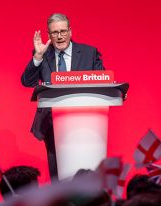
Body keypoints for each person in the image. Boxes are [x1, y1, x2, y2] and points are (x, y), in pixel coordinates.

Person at [21, 13, 104, 181]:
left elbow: (102, 81)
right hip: (52, 123)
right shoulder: (44, 54)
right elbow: (27, 82)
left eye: (63, 31)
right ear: (49, 35)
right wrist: (37, 56)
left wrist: (118, 92)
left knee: (86, 174)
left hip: (85, 123)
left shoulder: (89, 53)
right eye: (54, 33)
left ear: (70, 31)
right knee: (58, 176)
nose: (59, 36)